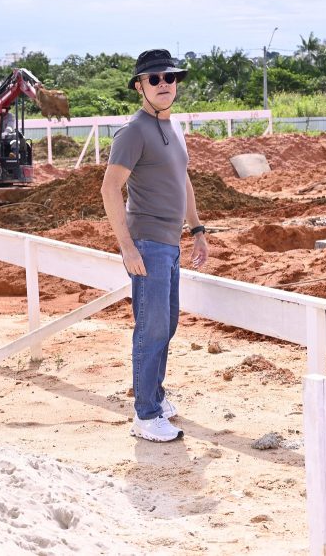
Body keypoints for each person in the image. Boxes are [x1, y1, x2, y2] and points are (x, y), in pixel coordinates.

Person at [101, 49, 209, 442]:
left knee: (168, 324)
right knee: (151, 328)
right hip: (147, 243)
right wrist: (127, 247)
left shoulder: (173, 128)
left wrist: (196, 229)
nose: (164, 84)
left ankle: (157, 397)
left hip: (171, 243)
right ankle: (146, 415)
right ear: (139, 87)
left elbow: (183, 180)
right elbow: (110, 189)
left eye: (170, 78)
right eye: (154, 79)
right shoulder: (134, 132)